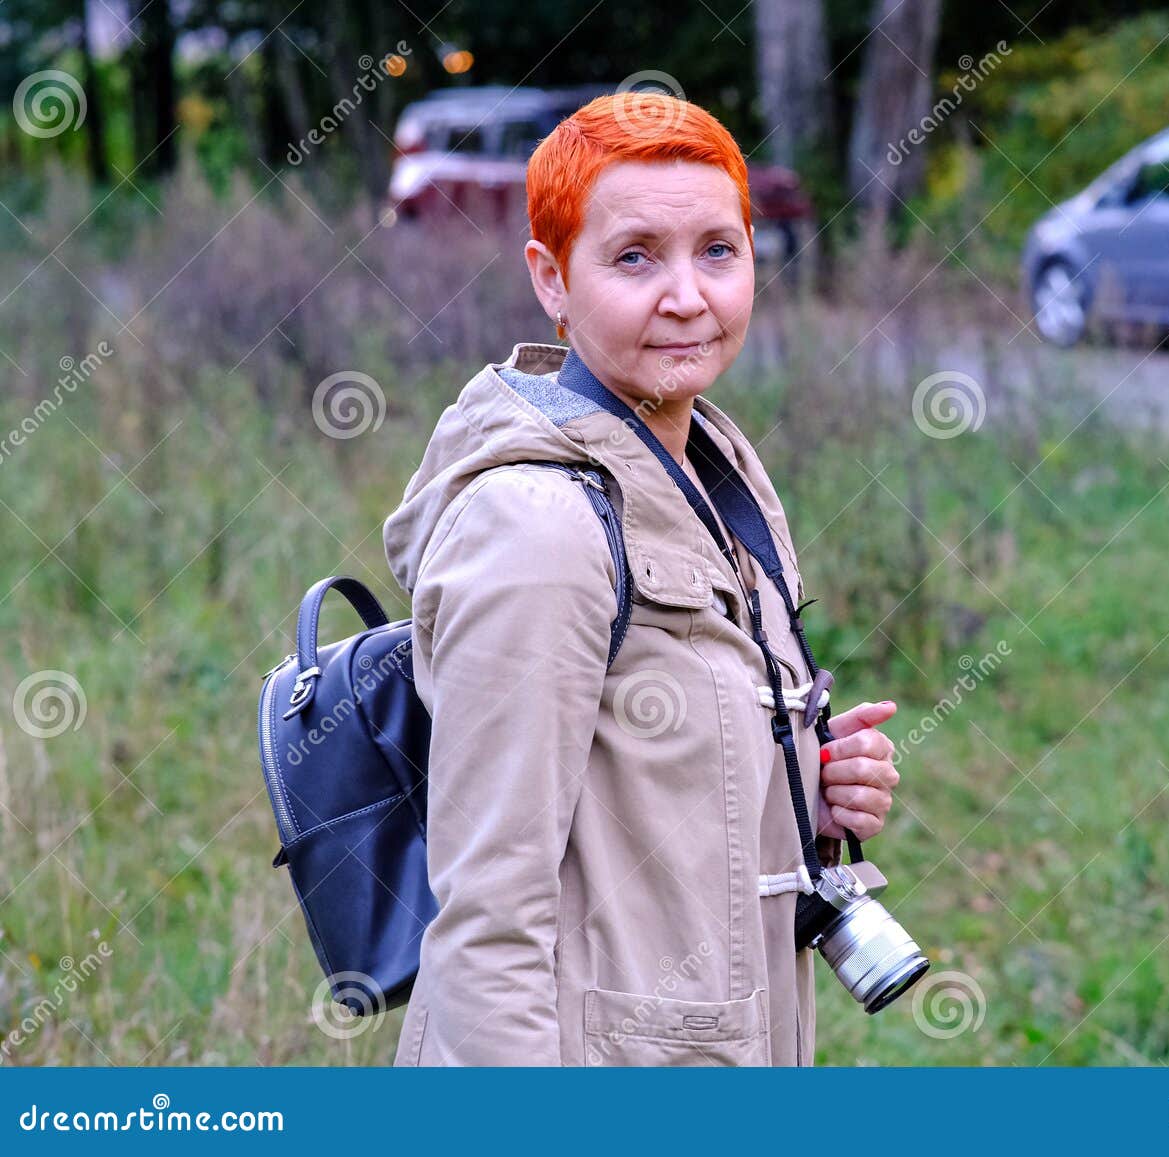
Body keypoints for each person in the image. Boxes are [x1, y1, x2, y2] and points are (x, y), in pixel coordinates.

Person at [381, 91, 901, 1066]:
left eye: (717, 249)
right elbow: (488, 920)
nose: (686, 295)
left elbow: (642, 802)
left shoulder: (710, 468)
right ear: (552, 279)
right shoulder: (537, 533)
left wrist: (802, 797)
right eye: (633, 257)